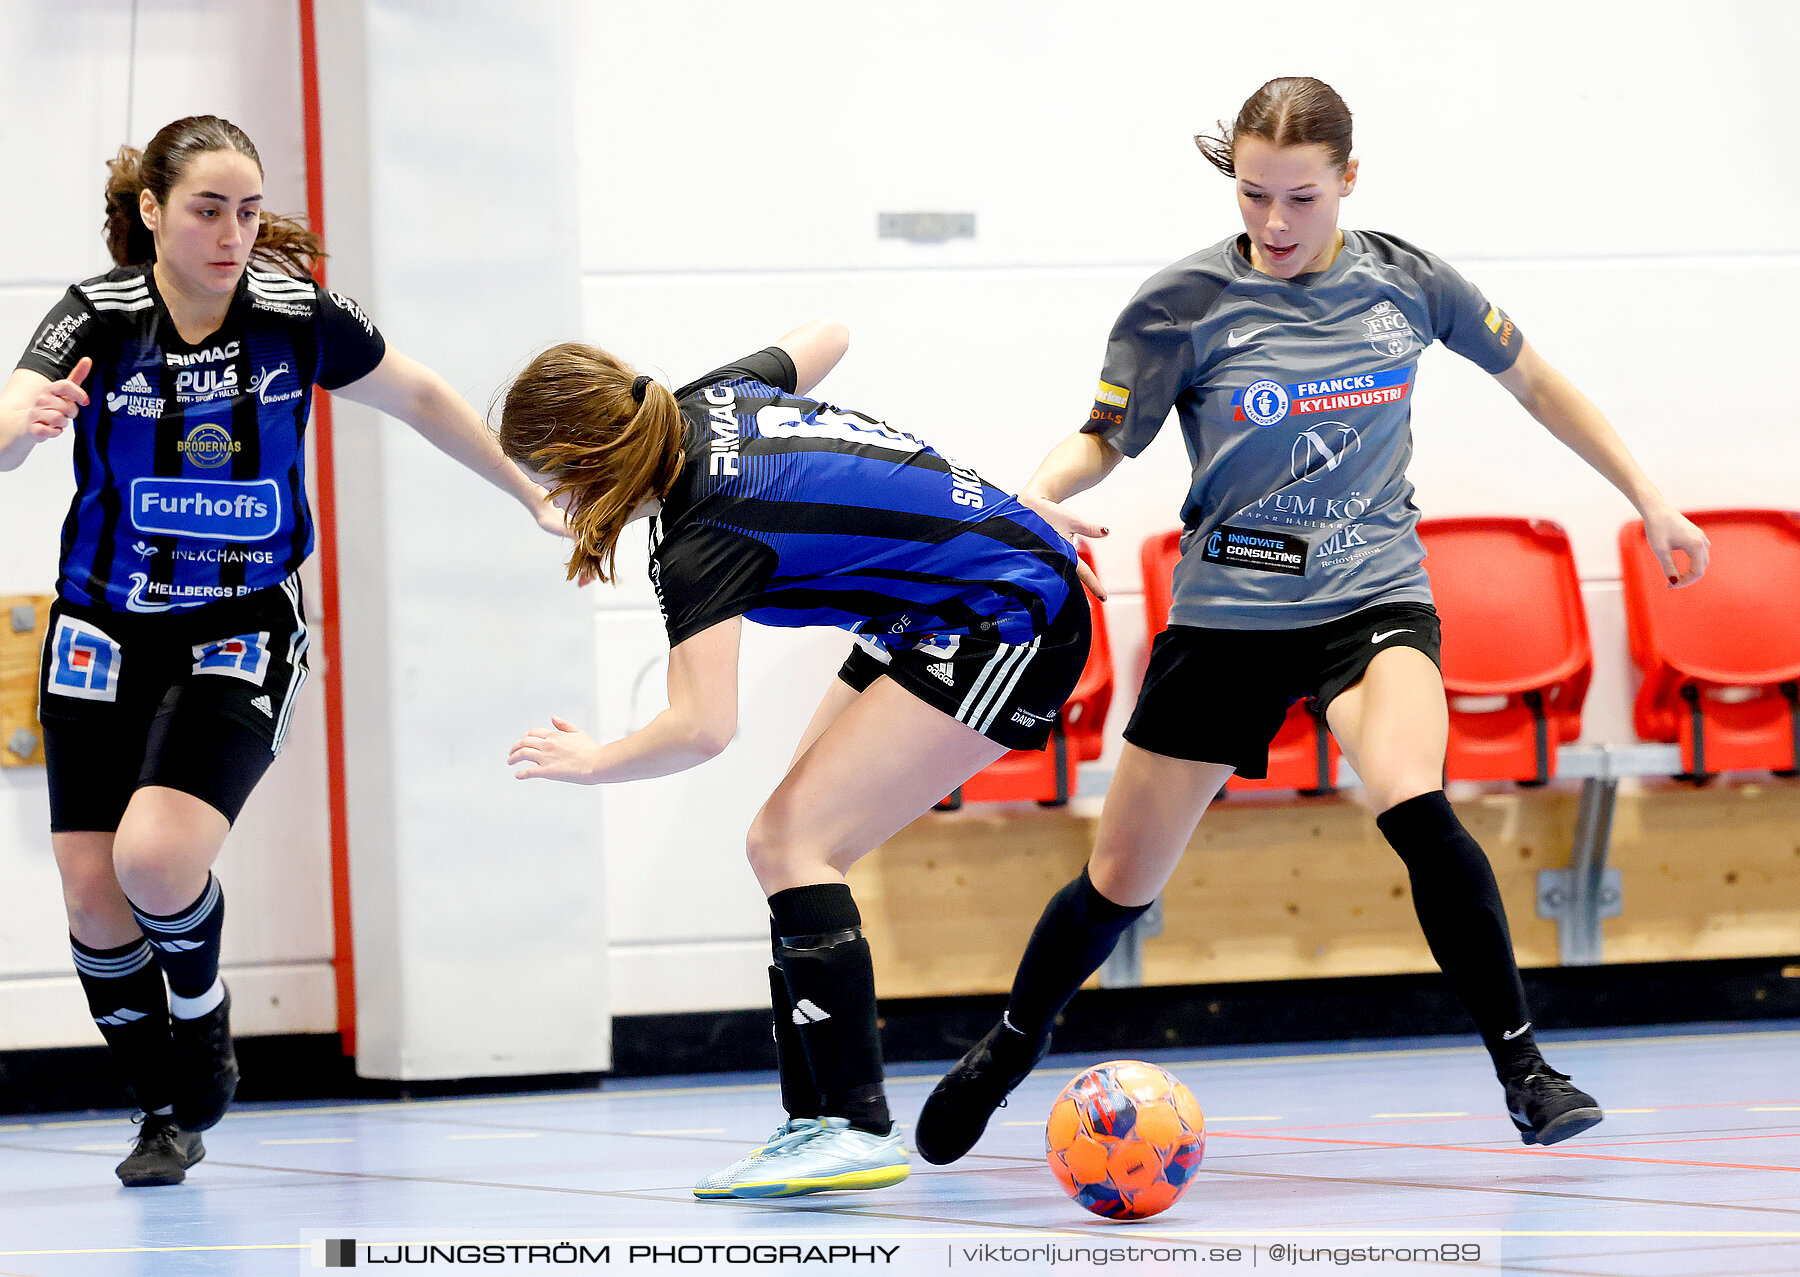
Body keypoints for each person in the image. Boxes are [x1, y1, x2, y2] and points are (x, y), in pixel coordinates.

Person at [913, 76, 1712, 1163]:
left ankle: (1525, 1063)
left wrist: (1649, 496)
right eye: (1253, 197)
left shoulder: (1408, 281)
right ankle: (1011, 1041)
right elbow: (1103, 436)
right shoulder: (1180, 305)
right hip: (1227, 617)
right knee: (1119, 882)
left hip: (1371, 595)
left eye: (1300, 197)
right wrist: (1043, 490)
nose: (1275, 224)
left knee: (1413, 795)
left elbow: (1538, 383)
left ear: (1347, 180)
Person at [0, 115, 566, 1187]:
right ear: (153, 213)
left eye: (249, 210)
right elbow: (10, 417)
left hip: (238, 623)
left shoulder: (294, 314)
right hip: (101, 629)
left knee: (156, 859)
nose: (231, 233)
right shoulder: (97, 315)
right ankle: (162, 1107)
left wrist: (530, 492)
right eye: (209, 209)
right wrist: (23, 423)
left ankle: (204, 1019)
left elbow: (424, 395)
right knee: (90, 892)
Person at [497, 323, 1099, 1199]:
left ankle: (854, 1126)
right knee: (792, 848)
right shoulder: (707, 399)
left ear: (590, 462)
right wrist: (976, 511)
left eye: (558, 486)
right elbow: (830, 337)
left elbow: (703, 726)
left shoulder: (700, 536)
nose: (564, 509)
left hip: (1007, 617)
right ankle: (816, 1119)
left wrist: (594, 762)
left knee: (787, 842)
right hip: (933, 607)